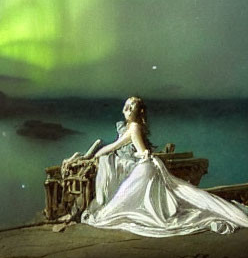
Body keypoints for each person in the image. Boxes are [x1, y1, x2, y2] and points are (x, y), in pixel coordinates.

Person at [81, 96, 248, 237]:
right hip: (147, 167)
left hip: (145, 168)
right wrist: (99, 154)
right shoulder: (134, 126)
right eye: (125, 106)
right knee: (142, 203)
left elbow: (141, 151)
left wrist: (99, 155)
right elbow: (117, 145)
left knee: (121, 209)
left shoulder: (134, 127)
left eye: (128, 107)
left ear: (133, 111)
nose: (124, 110)